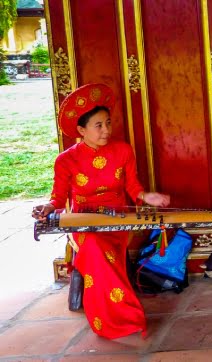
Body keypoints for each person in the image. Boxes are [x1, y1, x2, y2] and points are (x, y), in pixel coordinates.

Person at [31, 84, 171, 339]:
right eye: (99, 125)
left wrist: (146, 196)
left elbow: (132, 186)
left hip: (117, 219)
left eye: (108, 123)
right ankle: (124, 316)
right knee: (94, 246)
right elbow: (58, 197)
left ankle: (120, 316)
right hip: (82, 222)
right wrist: (48, 207)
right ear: (82, 130)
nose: (106, 130)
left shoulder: (122, 150)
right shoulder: (66, 160)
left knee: (102, 249)